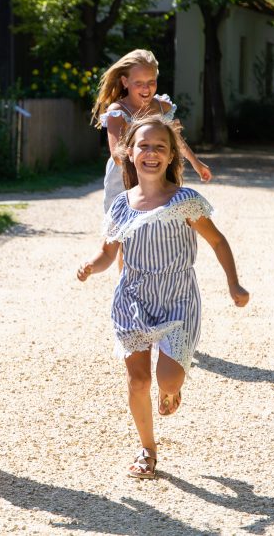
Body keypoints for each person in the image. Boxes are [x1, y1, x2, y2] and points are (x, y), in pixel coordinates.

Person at [76, 115, 249, 479]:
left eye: (160, 147)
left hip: (177, 299)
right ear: (128, 152)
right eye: (144, 146)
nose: (151, 153)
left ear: (172, 157)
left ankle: (170, 391)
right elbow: (109, 253)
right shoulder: (121, 205)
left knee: (167, 378)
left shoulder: (185, 201)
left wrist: (234, 284)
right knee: (138, 380)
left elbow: (217, 241)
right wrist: (92, 266)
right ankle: (147, 449)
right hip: (133, 298)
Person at [91, 49, 212, 213]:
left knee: (155, 225)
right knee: (118, 230)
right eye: (139, 83)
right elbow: (117, 156)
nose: (146, 89)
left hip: (155, 176)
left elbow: (174, 138)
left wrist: (196, 163)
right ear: (125, 82)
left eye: (151, 82)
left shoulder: (163, 106)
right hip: (123, 179)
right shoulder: (118, 111)